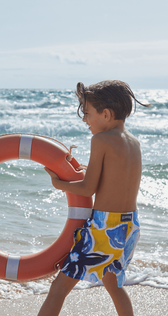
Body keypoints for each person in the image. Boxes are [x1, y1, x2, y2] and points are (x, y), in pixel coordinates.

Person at [38, 80, 150, 316]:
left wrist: (59, 183)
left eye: (87, 114)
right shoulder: (134, 142)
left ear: (106, 114)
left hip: (104, 227)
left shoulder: (101, 140)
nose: (85, 120)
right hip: (129, 226)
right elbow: (114, 179)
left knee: (59, 288)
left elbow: (89, 189)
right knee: (114, 285)